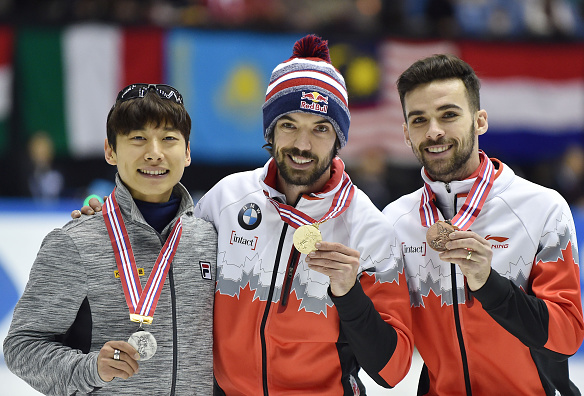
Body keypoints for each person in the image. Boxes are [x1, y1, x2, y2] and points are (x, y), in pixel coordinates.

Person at [80, 34, 414, 395]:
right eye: (289, 125)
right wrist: (115, 225)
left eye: (320, 129)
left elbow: (393, 370)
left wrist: (349, 295)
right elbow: (163, 262)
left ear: (339, 137)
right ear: (270, 130)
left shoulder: (368, 229)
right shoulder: (228, 199)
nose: (303, 145)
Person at [382, 54, 584, 395]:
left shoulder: (542, 209)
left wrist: (489, 284)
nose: (434, 132)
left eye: (448, 115)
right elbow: (389, 358)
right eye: (419, 120)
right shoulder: (394, 223)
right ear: (405, 133)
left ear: (480, 121)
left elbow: (566, 335)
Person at [3, 84, 217, 395]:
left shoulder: (211, 239)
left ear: (186, 152)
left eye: (169, 139)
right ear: (110, 151)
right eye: (138, 138)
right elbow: (22, 348)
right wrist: (92, 369)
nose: (154, 153)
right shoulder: (74, 243)